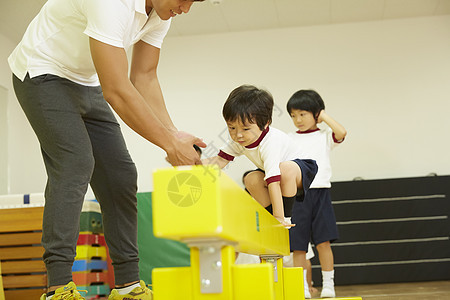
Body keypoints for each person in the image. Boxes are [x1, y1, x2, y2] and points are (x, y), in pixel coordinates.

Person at [8, 0, 206, 299]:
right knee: (75, 162)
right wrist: (169, 144)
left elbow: (144, 76)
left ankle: (128, 286)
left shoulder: (161, 14)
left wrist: (173, 134)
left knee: (121, 174)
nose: (186, 9)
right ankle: (58, 286)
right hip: (42, 71)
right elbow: (116, 90)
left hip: (86, 83)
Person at [202, 84, 318, 292]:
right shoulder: (238, 140)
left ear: (265, 124)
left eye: (245, 129)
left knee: (284, 171)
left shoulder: (270, 143)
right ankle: (268, 216)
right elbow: (218, 161)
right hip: (275, 175)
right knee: (252, 179)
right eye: (231, 127)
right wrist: (192, 163)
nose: (238, 135)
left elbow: (274, 179)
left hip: (301, 169)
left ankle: (284, 216)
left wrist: (280, 218)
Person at [286, 89, 347, 298]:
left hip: (321, 193)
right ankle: (302, 286)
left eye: (302, 114)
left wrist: (324, 116)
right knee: (298, 246)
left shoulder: (324, 136)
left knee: (323, 242)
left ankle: (329, 284)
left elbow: (342, 132)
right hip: (299, 195)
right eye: (293, 115)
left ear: (316, 114)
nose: (298, 120)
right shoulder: (289, 138)